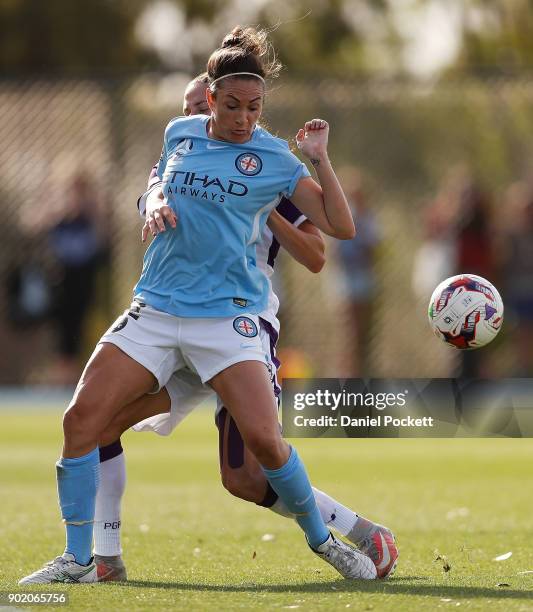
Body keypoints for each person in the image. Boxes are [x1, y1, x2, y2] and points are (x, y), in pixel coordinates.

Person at [20, 26, 385, 585]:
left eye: (255, 107)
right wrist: (156, 202)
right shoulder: (180, 134)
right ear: (210, 100)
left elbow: (340, 227)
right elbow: (160, 180)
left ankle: (325, 540)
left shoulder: (273, 159)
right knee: (82, 421)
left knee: (260, 448)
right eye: (232, 106)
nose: (244, 119)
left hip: (230, 319)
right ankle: (80, 558)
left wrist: (319, 160)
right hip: (159, 309)